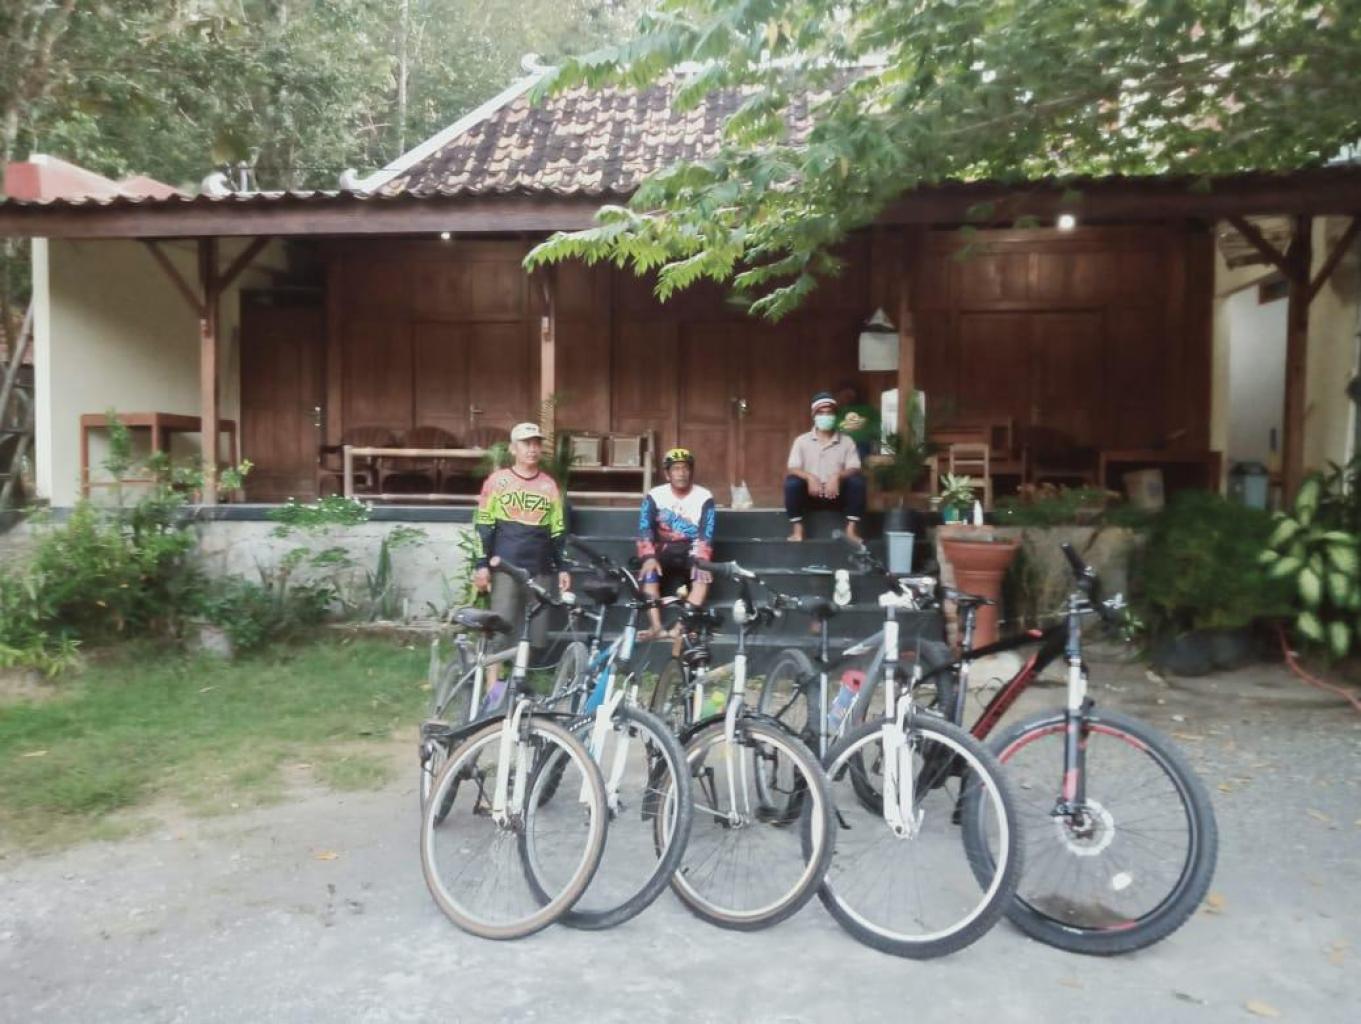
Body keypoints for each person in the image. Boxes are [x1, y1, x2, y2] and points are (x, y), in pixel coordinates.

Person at [472, 422, 572, 706]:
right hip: (505, 565)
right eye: (526, 443)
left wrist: (562, 567)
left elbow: (557, 530)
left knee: (531, 634)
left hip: (539, 567)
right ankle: (492, 691)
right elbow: (484, 525)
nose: (532, 449)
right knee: (500, 627)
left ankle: (517, 686)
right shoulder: (497, 481)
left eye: (536, 443)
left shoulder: (549, 485)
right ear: (513, 449)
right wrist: (482, 564)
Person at [637, 447, 715, 638]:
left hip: (692, 547)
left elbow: (707, 532)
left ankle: (680, 628)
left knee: (702, 576)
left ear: (691, 472)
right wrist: (648, 556)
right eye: (676, 469)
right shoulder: (655, 495)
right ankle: (656, 627)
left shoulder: (704, 496)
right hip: (662, 547)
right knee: (648, 573)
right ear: (667, 474)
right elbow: (645, 527)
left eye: (685, 468)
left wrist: (702, 560)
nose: (681, 473)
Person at [785, 391, 866, 542]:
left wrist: (837, 476)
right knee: (792, 483)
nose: (825, 416)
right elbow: (792, 468)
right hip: (811, 495)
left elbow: (854, 467)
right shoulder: (801, 441)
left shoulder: (847, 441)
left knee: (857, 482)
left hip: (836, 495)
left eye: (829, 413)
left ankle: (851, 530)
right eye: (821, 413)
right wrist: (809, 477)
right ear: (813, 415)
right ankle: (798, 530)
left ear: (835, 415)